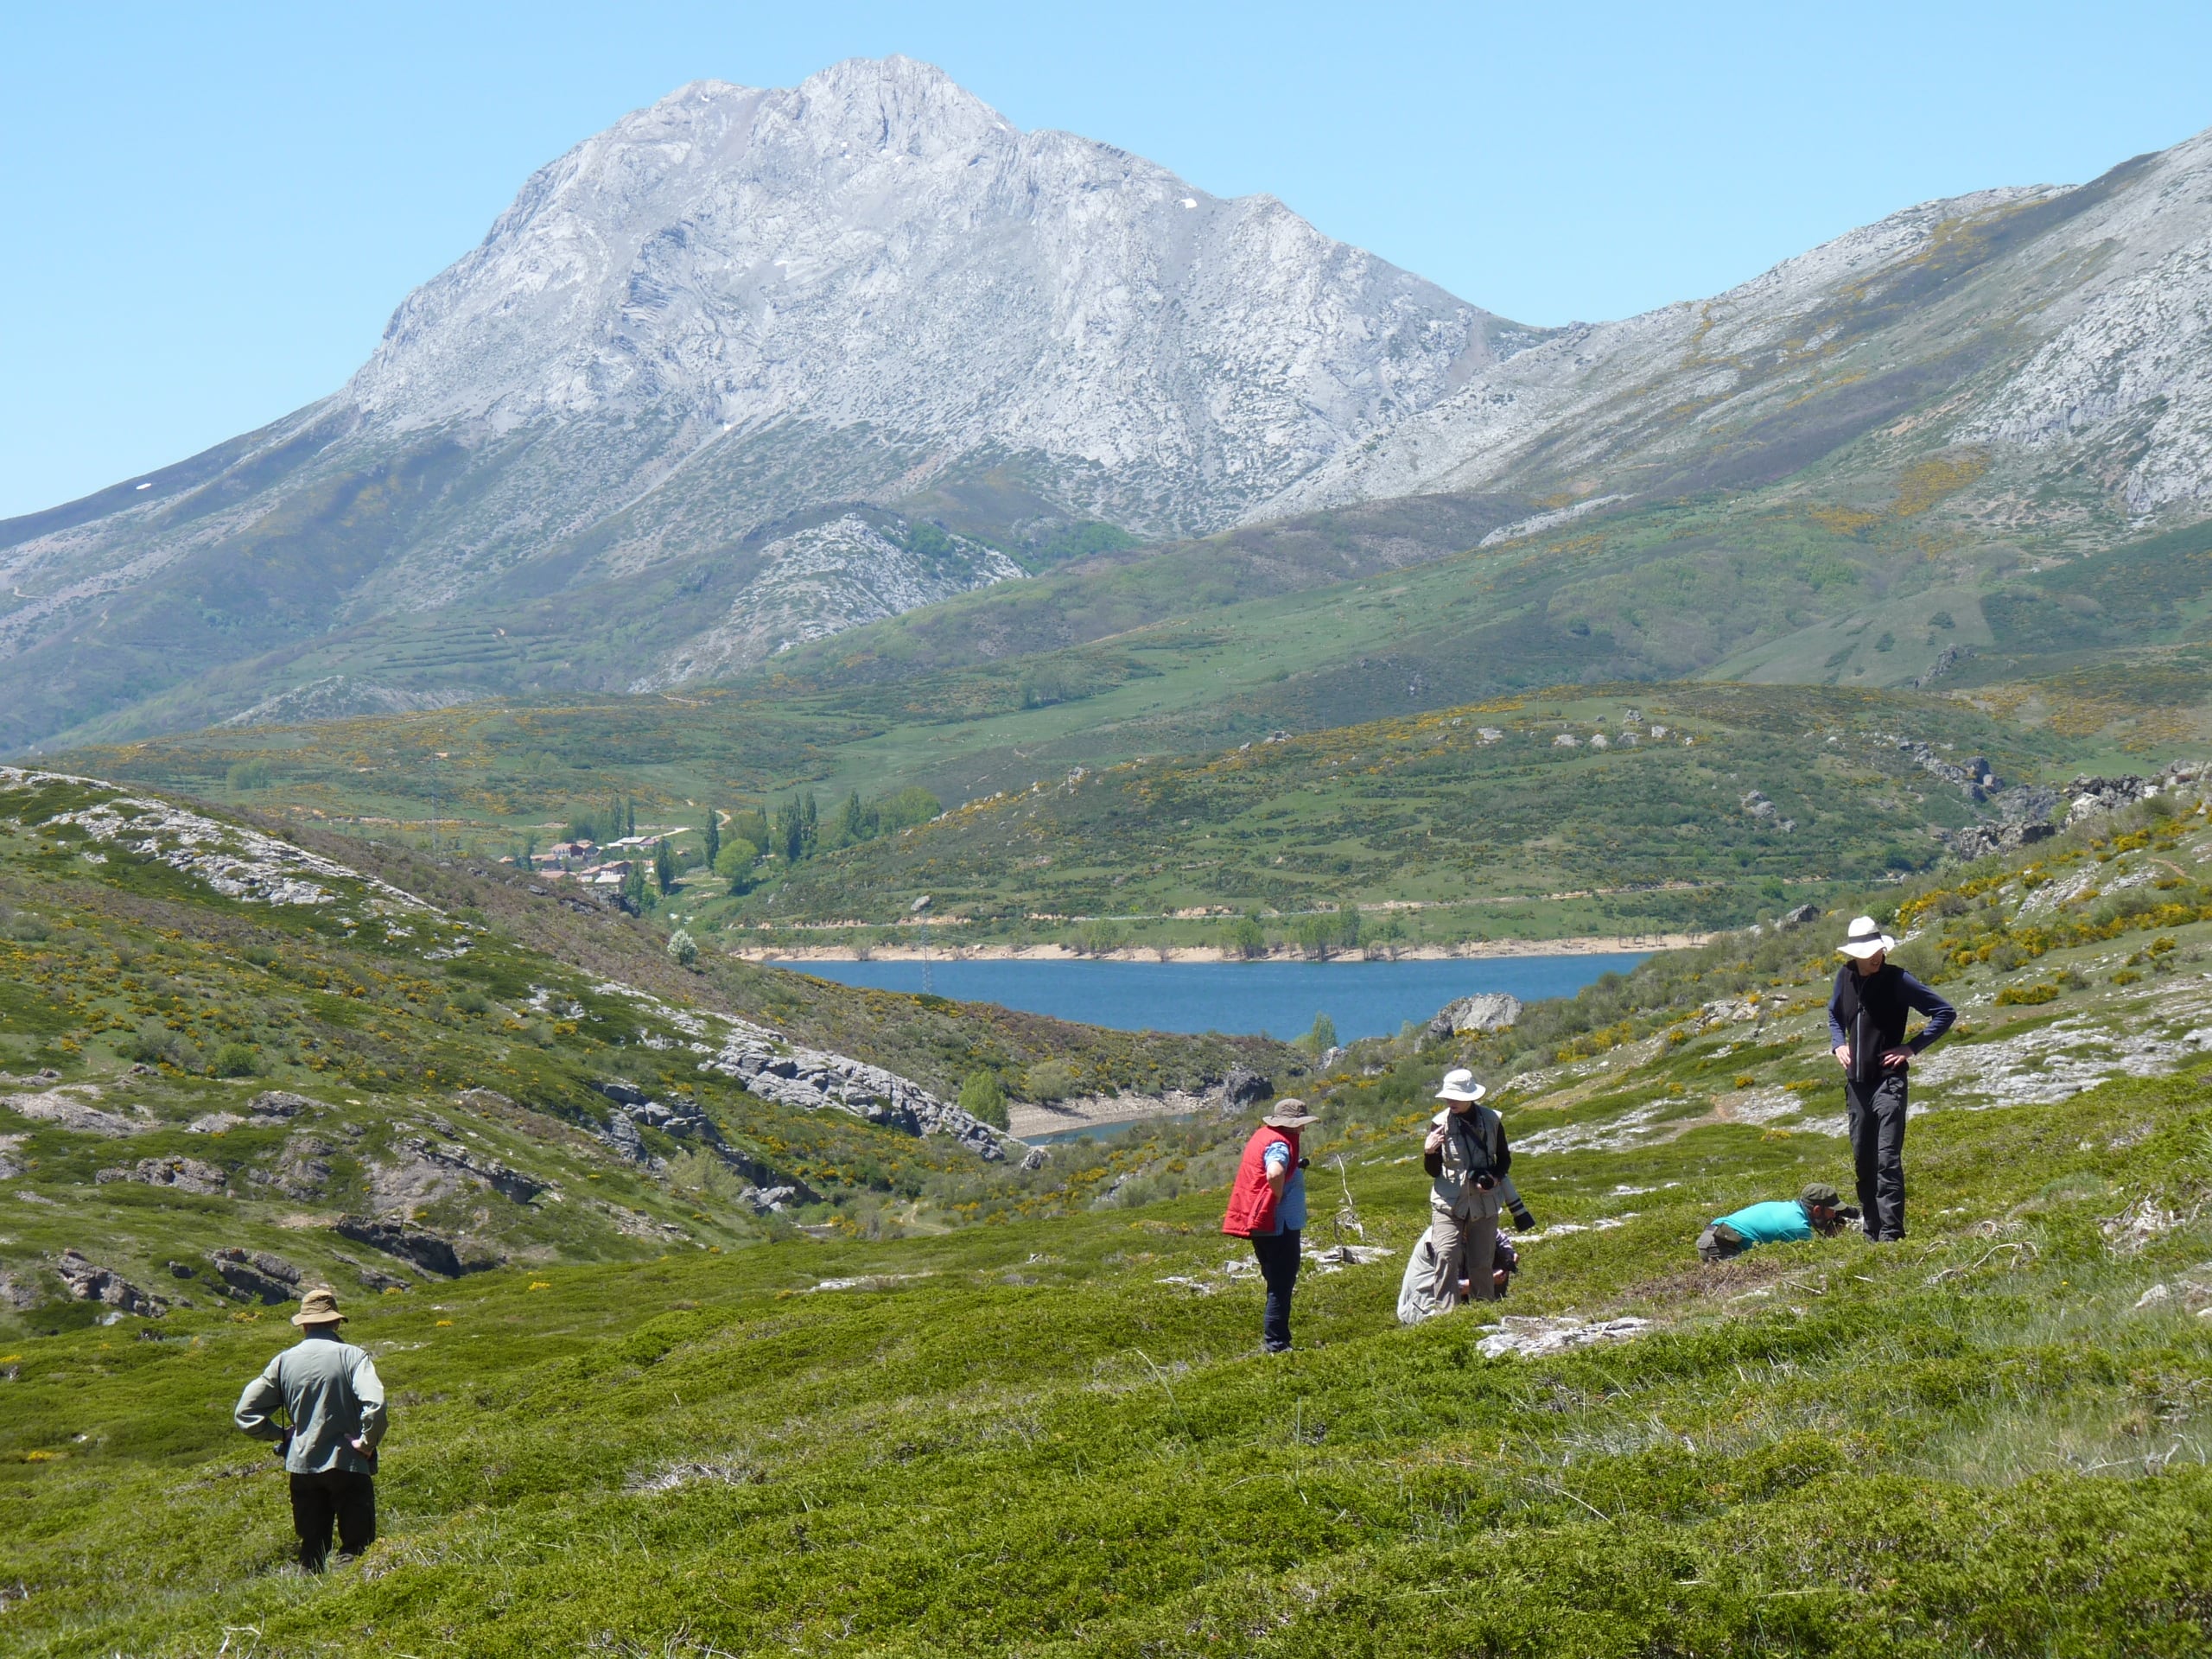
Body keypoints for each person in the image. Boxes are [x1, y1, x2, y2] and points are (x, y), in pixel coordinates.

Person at [234, 1286, 388, 1571]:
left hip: (302, 1467)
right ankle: (353, 1601)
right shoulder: (353, 1357)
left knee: (311, 1551)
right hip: (348, 1465)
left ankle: (307, 1602)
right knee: (356, 1548)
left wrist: (281, 1434)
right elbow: (376, 1405)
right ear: (337, 1321)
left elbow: (245, 1414)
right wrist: (366, 1444)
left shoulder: (282, 1362)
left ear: (303, 1324)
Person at [1828, 914, 1955, 1243]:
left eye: (1876, 951)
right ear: (1854, 955)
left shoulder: (1899, 980)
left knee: (1887, 1159)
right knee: (1863, 1160)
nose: (1872, 958)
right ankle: (1872, 1232)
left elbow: (1944, 1012)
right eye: (1865, 953)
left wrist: (1912, 1047)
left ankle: (1892, 1235)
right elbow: (1833, 1013)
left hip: (1889, 1083)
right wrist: (1838, 1043)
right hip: (1856, 1086)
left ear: (1882, 950)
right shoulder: (1845, 977)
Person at [1220, 1099, 1319, 1352]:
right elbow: (1274, 1172)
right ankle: (1276, 1344)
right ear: (1291, 1125)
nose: (1303, 1130)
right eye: (1300, 1125)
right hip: (1278, 1224)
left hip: (1264, 1225)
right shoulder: (1280, 1144)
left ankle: (1278, 1340)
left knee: (1275, 1280)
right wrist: (1276, 1196)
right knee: (1281, 1285)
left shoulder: (1265, 1135)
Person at [1422, 1068, 1515, 1310]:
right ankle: (1446, 1316)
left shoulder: (1493, 1120)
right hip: (1448, 1204)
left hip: (1485, 1204)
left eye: (1455, 1096)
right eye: (1447, 1097)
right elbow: (1433, 1171)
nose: (1450, 1101)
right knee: (1445, 1256)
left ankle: (1484, 1314)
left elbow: (1504, 1159)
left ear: (1471, 1096)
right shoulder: (1439, 1123)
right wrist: (1429, 1151)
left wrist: (1493, 1179)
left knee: (1482, 1262)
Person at [1696, 1182, 1858, 1261]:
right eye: (1832, 1211)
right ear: (1817, 1210)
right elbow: (1815, 1258)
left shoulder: (1788, 1209)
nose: (1834, 1215)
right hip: (1719, 1244)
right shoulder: (1796, 1227)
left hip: (1714, 1235)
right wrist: (1830, 1238)